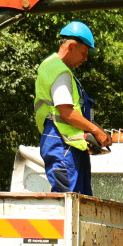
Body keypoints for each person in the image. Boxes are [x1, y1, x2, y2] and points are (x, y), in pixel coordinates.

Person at [34, 21, 111, 195]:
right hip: (62, 146)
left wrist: (94, 130)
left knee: (80, 201)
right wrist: (95, 131)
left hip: (68, 145)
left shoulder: (54, 68)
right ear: (72, 46)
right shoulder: (59, 72)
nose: (85, 58)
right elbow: (66, 112)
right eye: (84, 53)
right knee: (69, 202)